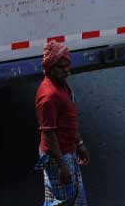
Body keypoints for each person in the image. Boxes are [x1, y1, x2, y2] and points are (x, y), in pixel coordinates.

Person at [35, 40, 90, 206]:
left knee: (69, 194)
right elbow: (49, 133)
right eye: (61, 67)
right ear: (50, 68)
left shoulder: (61, 84)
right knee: (62, 199)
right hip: (58, 156)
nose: (66, 70)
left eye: (67, 65)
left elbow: (69, 118)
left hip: (68, 150)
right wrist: (62, 166)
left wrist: (79, 143)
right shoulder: (49, 97)